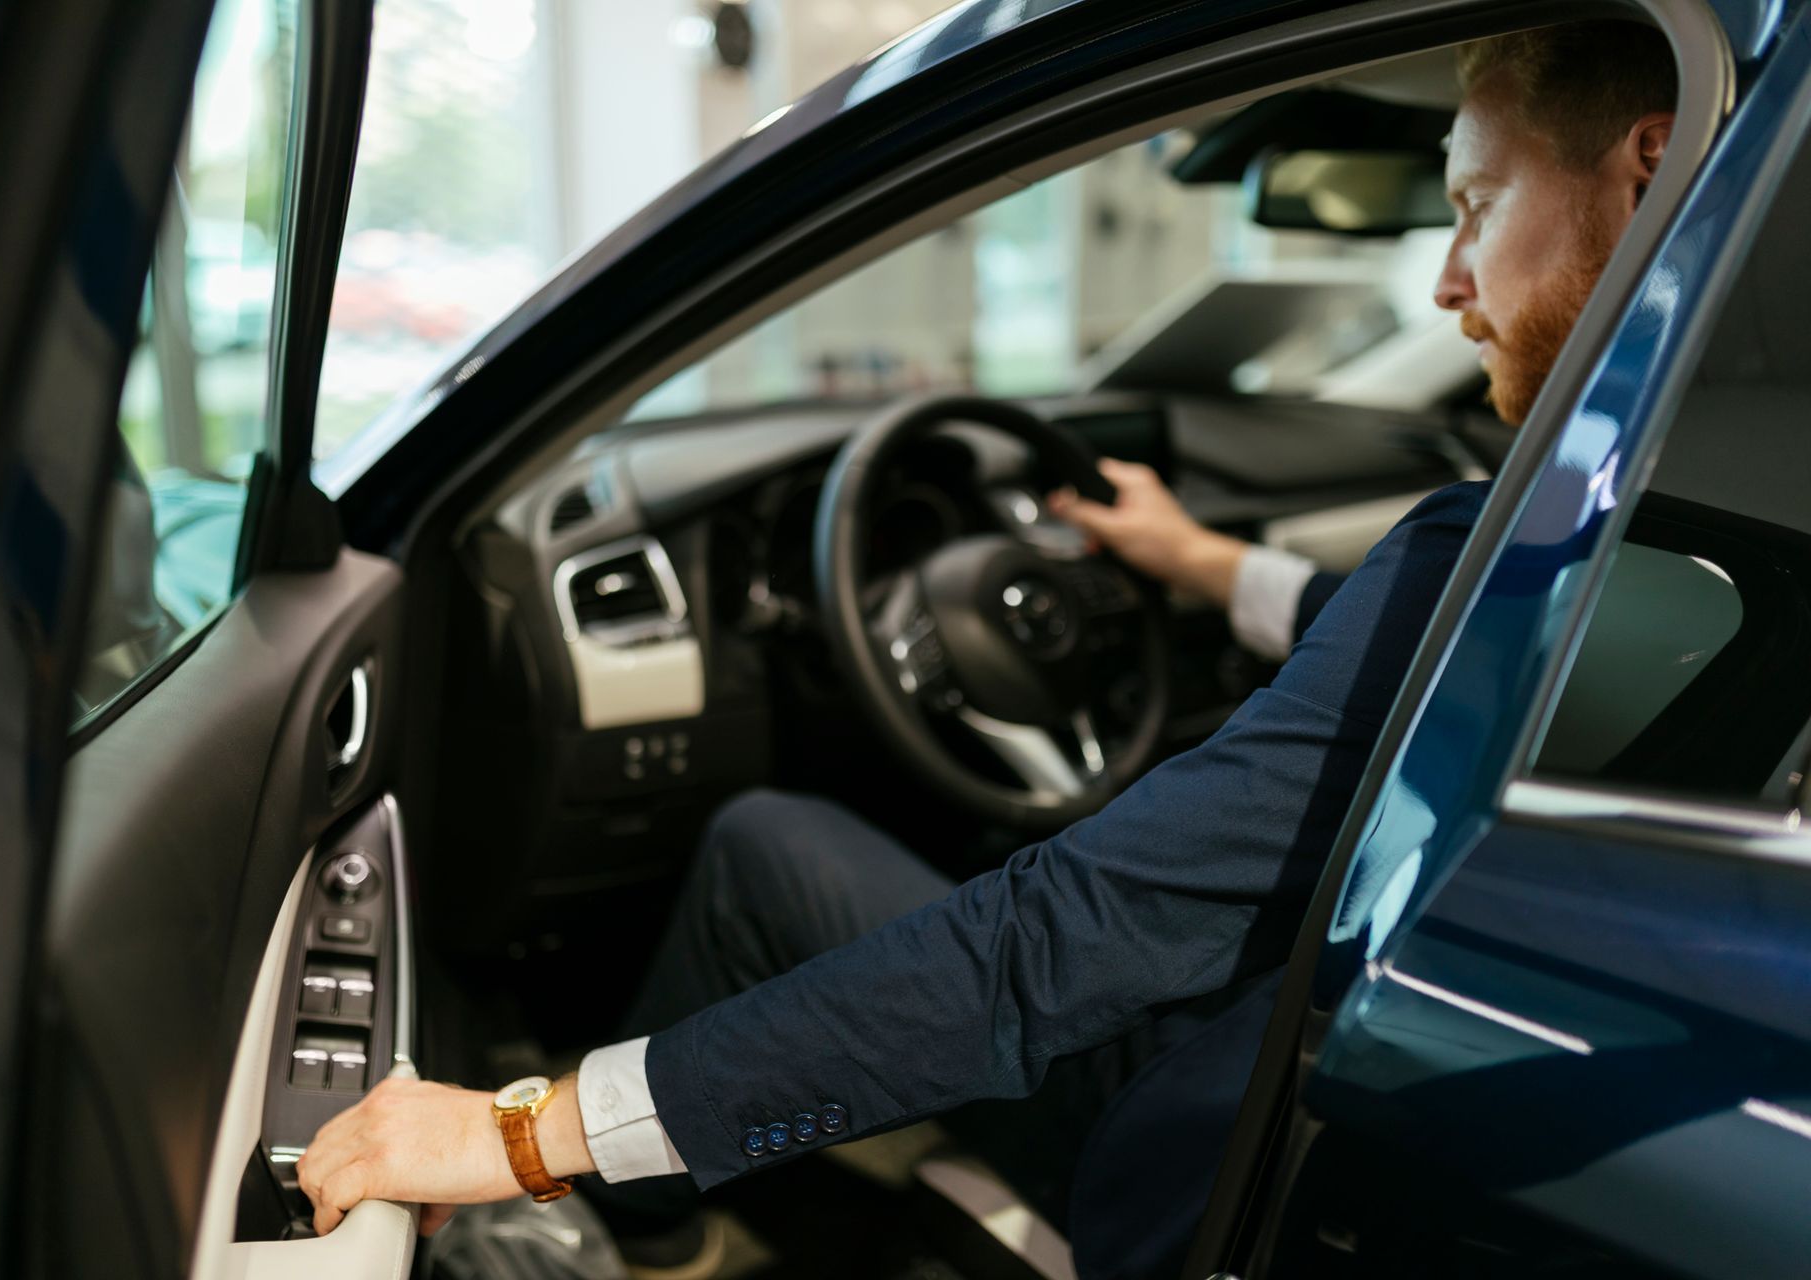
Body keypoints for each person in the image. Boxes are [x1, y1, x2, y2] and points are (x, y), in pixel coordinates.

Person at [297, 21, 1677, 1278]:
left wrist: (521, 1133)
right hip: (1386, 1104)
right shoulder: (1670, 552)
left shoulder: (1506, 544)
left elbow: (1060, 938)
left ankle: (641, 1236)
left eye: (1475, 208)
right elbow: (1405, 673)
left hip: (1221, 1148)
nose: (1443, 283)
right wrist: (1199, 564)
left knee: (762, 845)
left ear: (1647, 168)